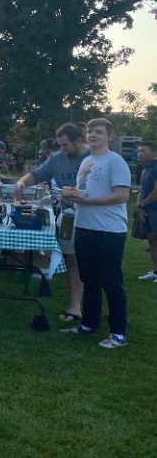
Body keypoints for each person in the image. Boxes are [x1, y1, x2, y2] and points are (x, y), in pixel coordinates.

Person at [60, 118, 132, 349]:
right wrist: (71, 195)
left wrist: (87, 200)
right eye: (89, 131)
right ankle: (89, 324)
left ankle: (118, 333)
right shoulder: (87, 162)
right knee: (88, 280)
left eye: (98, 132)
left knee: (111, 282)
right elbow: (86, 192)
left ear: (109, 136)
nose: (92, 135)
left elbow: (122, 195)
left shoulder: (116, 161)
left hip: (109, 230)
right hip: (84, 227)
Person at [15, 123, 90, 323]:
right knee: (72, 260)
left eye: (65, 145)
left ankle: (99, 306)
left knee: (96, 263)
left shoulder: (93, 158)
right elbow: (37, 174)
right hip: (68, 217)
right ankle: (75, 307)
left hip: (94, 219)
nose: (62, 149)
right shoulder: (57, 158)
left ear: (79, 140)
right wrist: (22, 182)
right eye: (59, 145)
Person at [134, 141, 157, 282]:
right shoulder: (144, 168)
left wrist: (142, 205)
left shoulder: (155, 167)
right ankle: (155, 271)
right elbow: (142, 189)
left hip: (154, 210)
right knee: (152, 241)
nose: (139, 154)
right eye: (139, 151)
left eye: (143, 151)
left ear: (154, 152)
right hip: (147, 210)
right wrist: (138, 206)